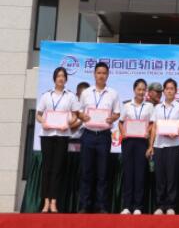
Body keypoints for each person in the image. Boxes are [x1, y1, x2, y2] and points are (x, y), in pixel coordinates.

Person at [77, 62, 121, 213]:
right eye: (99, 73)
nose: (101, 75)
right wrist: (83, 116)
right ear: (94, 74)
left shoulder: (113, 93)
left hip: (103, 136)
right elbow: (78, 111)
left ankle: (101, 206)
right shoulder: (86, 93)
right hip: (88, 135)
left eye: (104, 73)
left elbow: (117, 113)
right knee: (86, 172)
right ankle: (84, 205)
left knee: (103, 173)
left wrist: (112, 119)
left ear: (107, 75)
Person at [35, 67, 80, 213]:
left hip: (62, 135)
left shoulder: (70, 96)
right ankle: (46, 202)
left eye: (63, 76)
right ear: (54, 78)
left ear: (66, 79)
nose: (61, 78)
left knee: (57, 169)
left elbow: (75, 116)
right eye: (58, 76)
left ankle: (54, 201)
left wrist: (67, 124)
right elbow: (38, 114)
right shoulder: (46, 96)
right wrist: (44, 122)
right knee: (47, 168)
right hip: (47, 135)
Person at [148, 78, 179, 215]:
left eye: (172, 88)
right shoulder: (157, 107)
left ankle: (171, 206)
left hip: (173, 145)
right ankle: (160, 205)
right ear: (164, 91)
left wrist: (176, 132)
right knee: (160, 177)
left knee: (172, 176)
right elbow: (154, 127)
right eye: (167, 88)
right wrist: (151, 145)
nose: (169, 91)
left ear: (176, 91)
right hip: (159, 145)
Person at [119, 78, 154, 215]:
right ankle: (127, 206)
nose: (141, 92)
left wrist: (148, 131)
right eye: (139, 89)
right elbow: (121, 123)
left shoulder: (149, 106)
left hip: (142, 142)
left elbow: (152, 124)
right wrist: (123, 133)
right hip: (128, 142)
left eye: (143, 89)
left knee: (140, 174)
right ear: (134, 90)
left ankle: (138, 206)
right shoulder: (127, 105)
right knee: (128, 173)